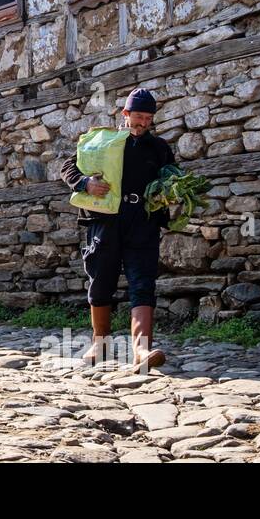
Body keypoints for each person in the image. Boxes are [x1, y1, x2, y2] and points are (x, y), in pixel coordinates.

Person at [60, 88, 174, 370]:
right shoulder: (104, 143)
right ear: (125, 115)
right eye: (138, 116)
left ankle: (141, 351)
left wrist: (169, 193)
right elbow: (67, 167)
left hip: (143, 220)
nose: (143, 123)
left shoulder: (159, 148)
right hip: (106, 220)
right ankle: (100, 345)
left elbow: (172, 178)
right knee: (101, 279)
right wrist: (85, 183)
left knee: (143, 280)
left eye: (148, 118)